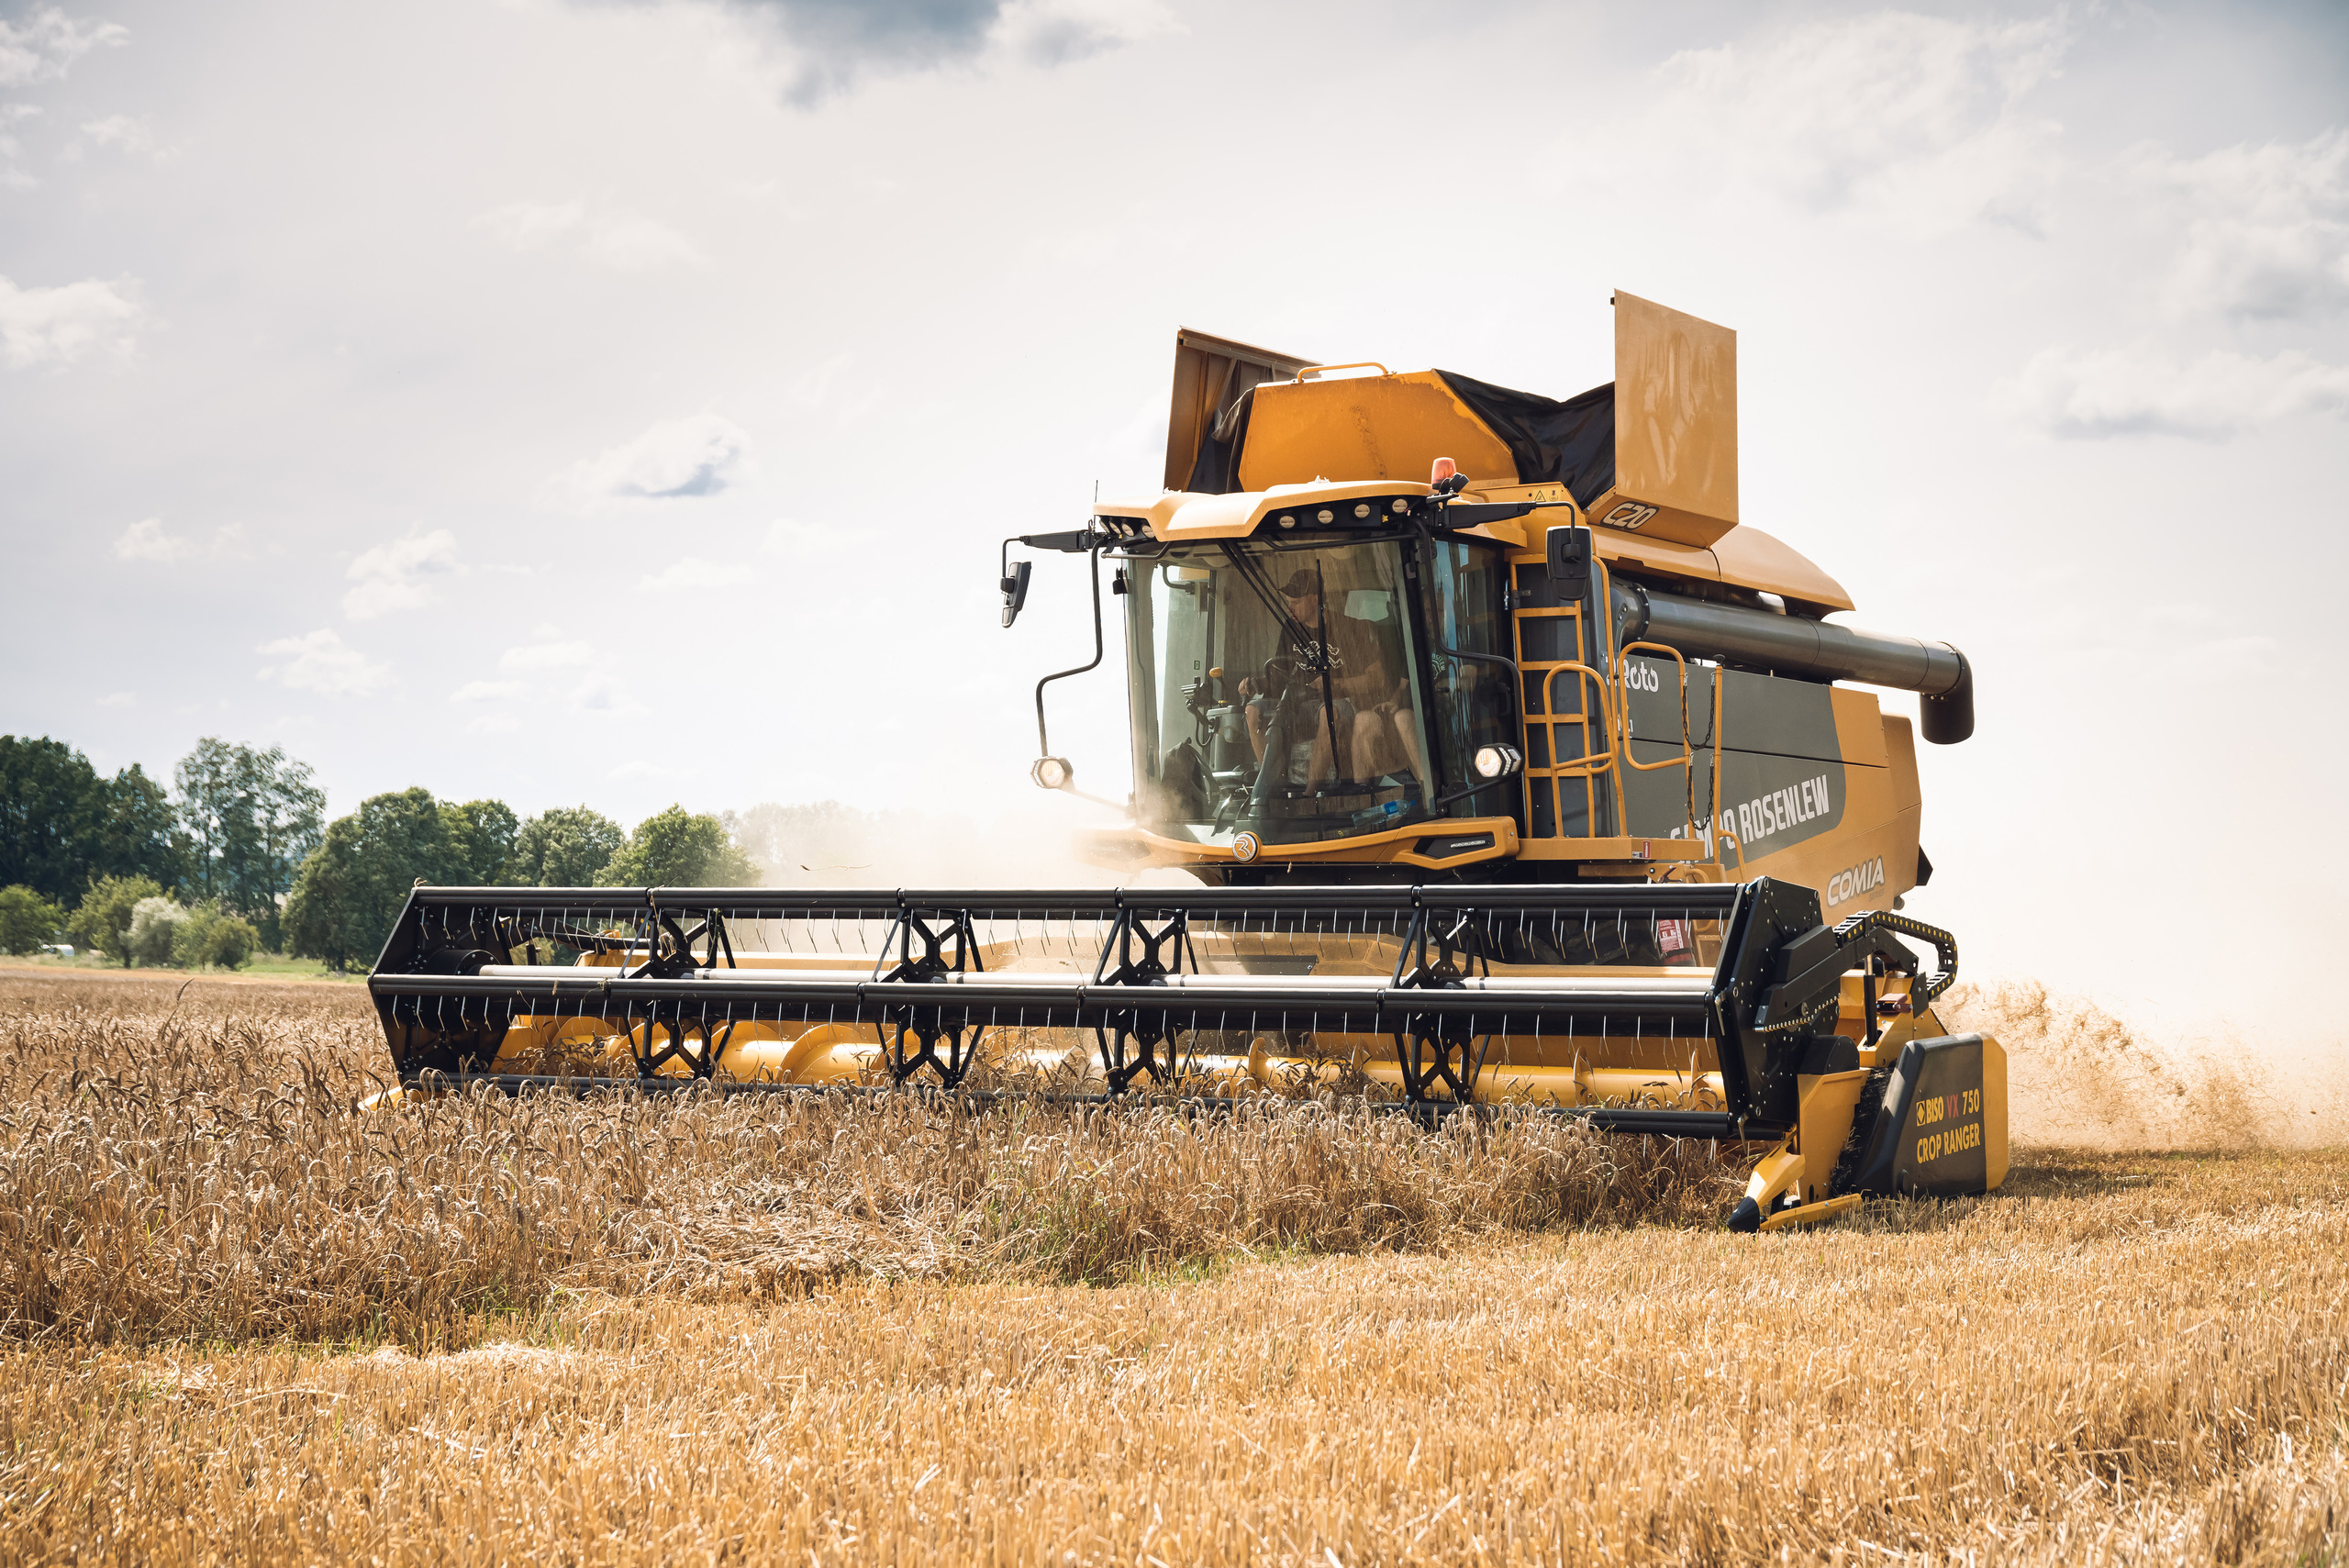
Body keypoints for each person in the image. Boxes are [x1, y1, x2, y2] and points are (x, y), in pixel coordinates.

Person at [1243, 567, 1422, 788]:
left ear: (1315, 599)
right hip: (1296, 703)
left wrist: (1333, 684)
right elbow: (1279, 676)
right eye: (1288, 602)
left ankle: (1310, 794)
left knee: (1328, 713)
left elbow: (1378, 680)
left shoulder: (1350, 628)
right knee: (1253, 711)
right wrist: (1256, 684)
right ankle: (1272, 787)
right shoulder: (1291, 628)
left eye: (1296, 602)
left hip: (1337, 701)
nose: (1290, 608)